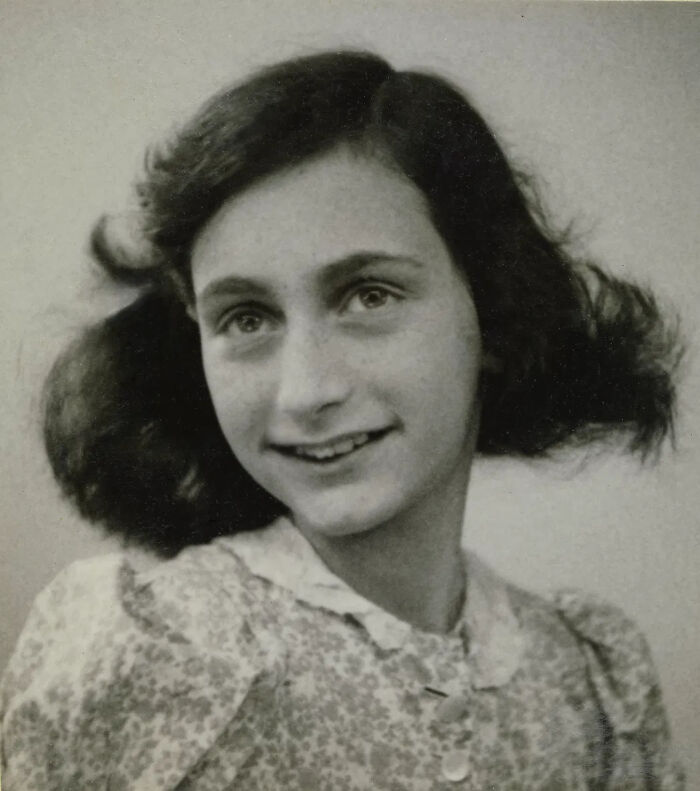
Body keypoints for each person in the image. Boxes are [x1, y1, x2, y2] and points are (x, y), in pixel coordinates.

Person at [0, 51, 685, 789]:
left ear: (491, 308)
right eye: (247, 317)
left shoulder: (583, 680)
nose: (305, 390)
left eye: (368, 296)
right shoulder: (161, 654)